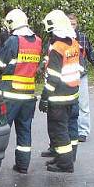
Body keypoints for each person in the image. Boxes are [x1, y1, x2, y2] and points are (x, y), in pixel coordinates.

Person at [0, 9, 42, 175]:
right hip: (29, 95)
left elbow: (0, 63)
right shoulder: (37, 41)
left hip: (10, 94)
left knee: (2, 129)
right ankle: (23, 166)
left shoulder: (13, 41)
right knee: (24, 130)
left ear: (11, 23)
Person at [39, 10, 81, 173]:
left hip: (59, 97)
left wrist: (44, 97)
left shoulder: (57, 47)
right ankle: (63, 158)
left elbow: (54, 78)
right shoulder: (73, 43)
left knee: (59, 130)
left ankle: (65, 164)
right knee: (67, 128)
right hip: (72, 94)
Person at [69, 14, 94, 142]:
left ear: (77, 24)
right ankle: (71, 130)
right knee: (69, 105)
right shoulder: (62, 39)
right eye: (69, 24)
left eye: (74, 24)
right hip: (67, 78)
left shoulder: (82, 38)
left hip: (81, 76)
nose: (71, 26)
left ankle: (83, 131)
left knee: (83, 105)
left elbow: (91, 54)